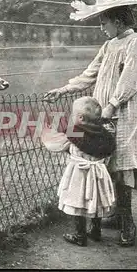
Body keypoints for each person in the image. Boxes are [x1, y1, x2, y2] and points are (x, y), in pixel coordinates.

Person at [44, 0, 137, 247]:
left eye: (104, 23)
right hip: (102, 110)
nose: (102, 28)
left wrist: (112, 104)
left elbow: (130, 79)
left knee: (122, 162)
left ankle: (127, 222)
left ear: (117, 21)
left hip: (124, 111)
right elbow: (91, 73)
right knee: (101, 162)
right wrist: (64, 89)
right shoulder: (110, 45)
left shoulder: (136, 42)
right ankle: (110, 214)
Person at [41, 96, 116, 246]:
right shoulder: (105, 135)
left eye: (72, 114)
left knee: (78, 203)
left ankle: (79, 235)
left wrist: (45, 134)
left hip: (79, 175)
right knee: (96, 201)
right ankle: (95, 231)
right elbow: (109, 151)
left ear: (80, 118)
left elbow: (57, 145)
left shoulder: (74, 132)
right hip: (98, 175)